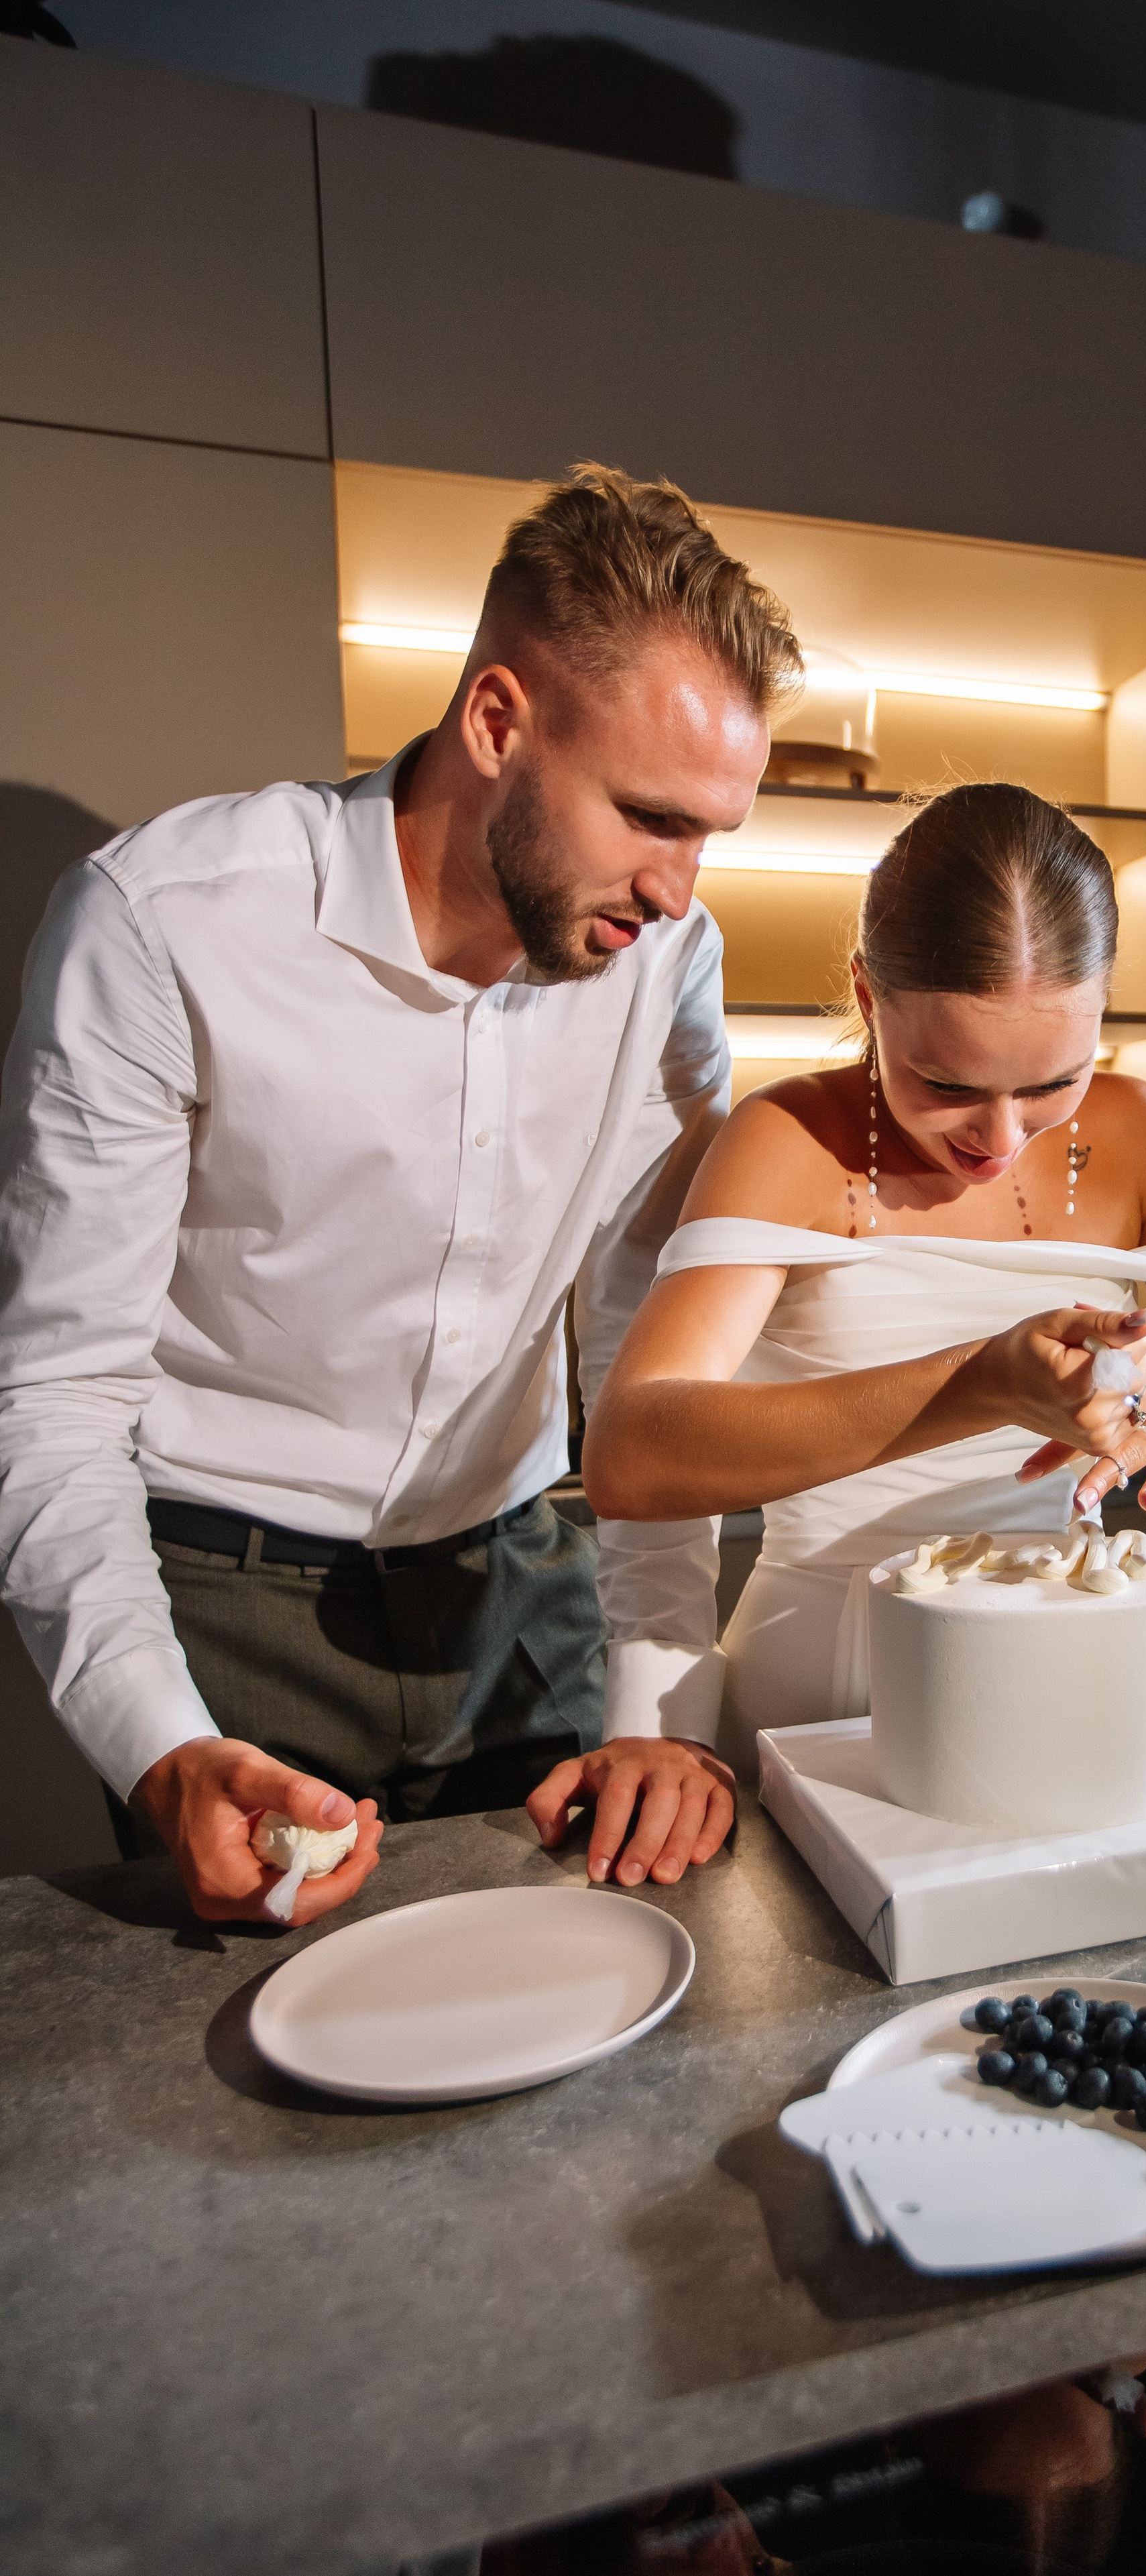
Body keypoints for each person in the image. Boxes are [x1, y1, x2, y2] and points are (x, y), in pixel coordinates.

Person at [0, 464, 802, 1921]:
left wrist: (653, 1703)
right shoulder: (161, 926)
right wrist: (163, 1749)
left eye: (709, 835)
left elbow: (646, 1370)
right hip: (223, 1609)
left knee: (599, 2009)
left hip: (521, 1588)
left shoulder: (665, 964)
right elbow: (54, 1399)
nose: (679, 888)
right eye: (646, 815)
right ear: (496, 720)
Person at [583, 782, 1146, 1772]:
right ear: (869, 997)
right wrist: (981, 1385)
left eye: (1050, 1084)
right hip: (822, 1705)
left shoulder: (1144, 1133)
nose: (998, 1138)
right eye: (946, 1085)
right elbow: (633, 1454)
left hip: (1064, 1686)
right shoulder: (785, 1137)